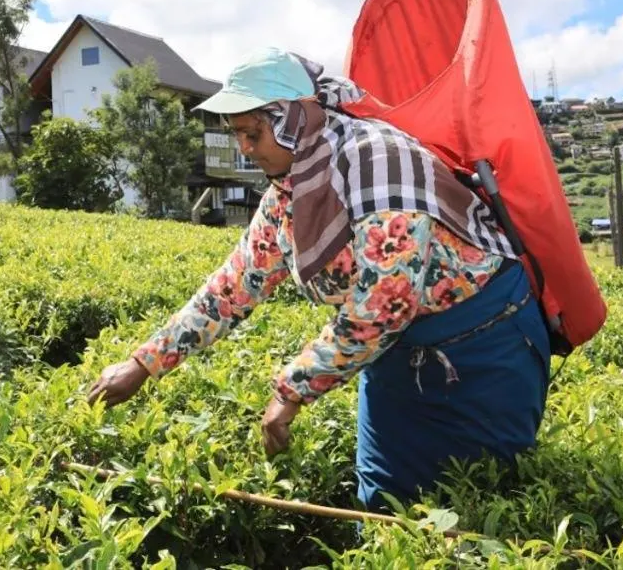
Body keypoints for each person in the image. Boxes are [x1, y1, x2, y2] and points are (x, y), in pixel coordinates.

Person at [86, 46, 552, 511]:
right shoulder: (290, 190)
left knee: (486, 506)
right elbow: (234, 284)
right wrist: (144, 363)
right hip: (397, 353)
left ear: (294, 120)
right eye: (238, 136)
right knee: (382, 503)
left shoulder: (380, 164)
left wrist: (290, 392)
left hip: (484, 349)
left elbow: (382, 307)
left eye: (253, 133)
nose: (245, 149)